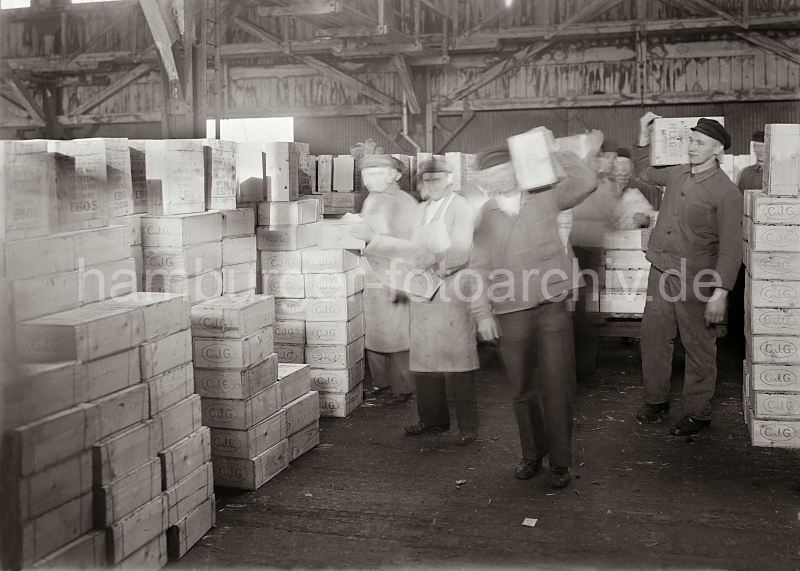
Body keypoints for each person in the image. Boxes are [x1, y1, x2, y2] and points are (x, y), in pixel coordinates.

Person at [469, 143, 598, 489]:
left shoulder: (544, 196)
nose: (497, 182)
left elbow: (586, 182)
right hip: (510, 310)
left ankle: (560, 462)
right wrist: (482, 314)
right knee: (522, 387)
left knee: (558, 386)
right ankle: (532, 454)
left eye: (501, 173)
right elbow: (477, 267)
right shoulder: (485, 214)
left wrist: (559, 151)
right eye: (489, 177)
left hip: (551, 306)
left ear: (516, 169)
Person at [353, 158, 480, 445]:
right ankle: (432, 420)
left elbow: (461, 249)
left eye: (437, 179)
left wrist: (430, 263)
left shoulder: (460, 207)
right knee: (425, 361)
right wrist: (402, 277)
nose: (431, 185)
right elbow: (409, 249)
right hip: (422, 291)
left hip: (452, 291)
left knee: (458, 362)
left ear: (450, 179)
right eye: (426, 180)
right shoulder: (421, 209)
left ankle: (468, 426)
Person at [633, 113, 743, 436]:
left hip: (696, 280)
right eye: (691, 140)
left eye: (700, 143)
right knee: (653, 337)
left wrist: (721, 293)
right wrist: (643, 136)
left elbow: (731, 248)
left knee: (698, 346)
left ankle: (698, 412)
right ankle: (656, 400)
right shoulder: (679, 173)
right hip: (661, 270)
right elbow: (644, 170)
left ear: (718, 150)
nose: (692, 147)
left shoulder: (726, 193)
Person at [358, 155, 419, 405]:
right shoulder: (372, 199)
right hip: (372, 275)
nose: (370, 180)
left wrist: (401, 282)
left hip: (395, 275)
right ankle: (380, 384)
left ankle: (403, 388)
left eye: (377, 174)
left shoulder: (404, 203)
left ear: (395, 175)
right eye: (366, 175)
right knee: (373, 334)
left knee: (397, 337)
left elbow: (412, 247)